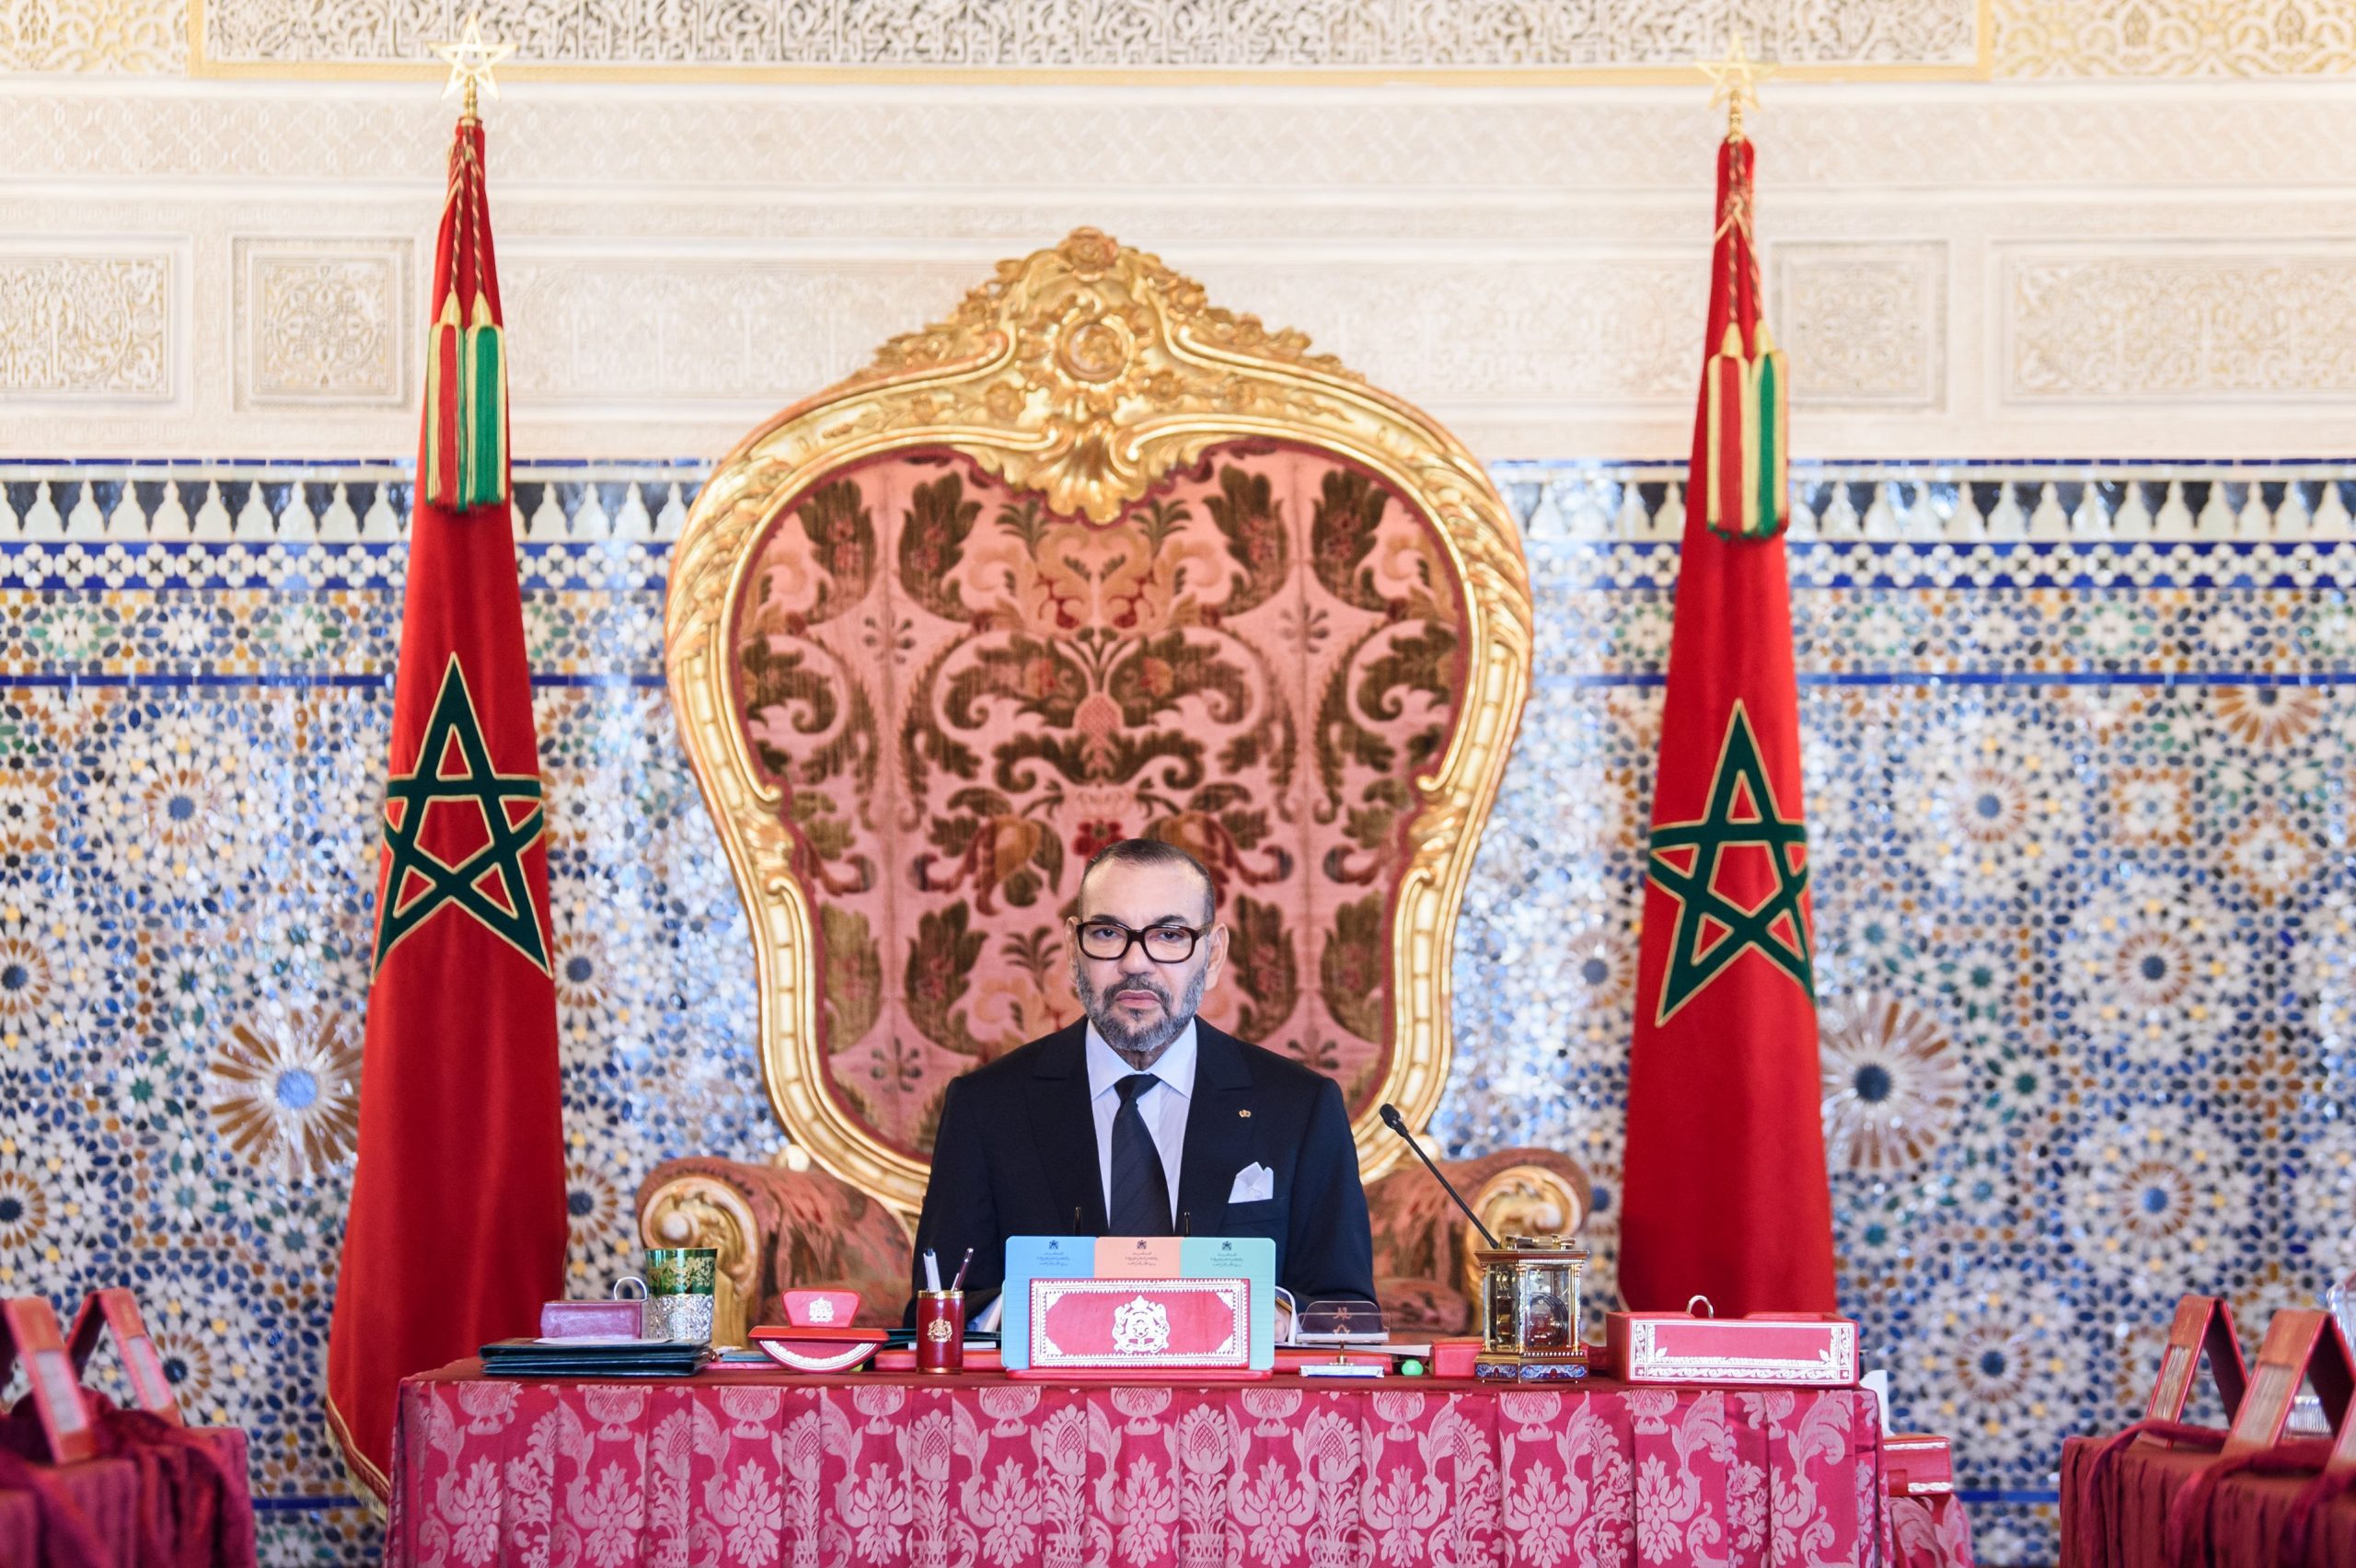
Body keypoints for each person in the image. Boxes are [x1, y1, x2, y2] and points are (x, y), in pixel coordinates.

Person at [909, 837, 1376, 1317]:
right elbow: (934, 1309)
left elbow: (1348, 1308)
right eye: (1109, 933)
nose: (1135, 963)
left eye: (1170, 935)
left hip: (1229, 1392)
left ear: (1212, 955)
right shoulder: (986, 1106)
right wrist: (1034, 1311)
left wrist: (1270, 1318)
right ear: (1073, 949)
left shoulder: (1299, 1107)